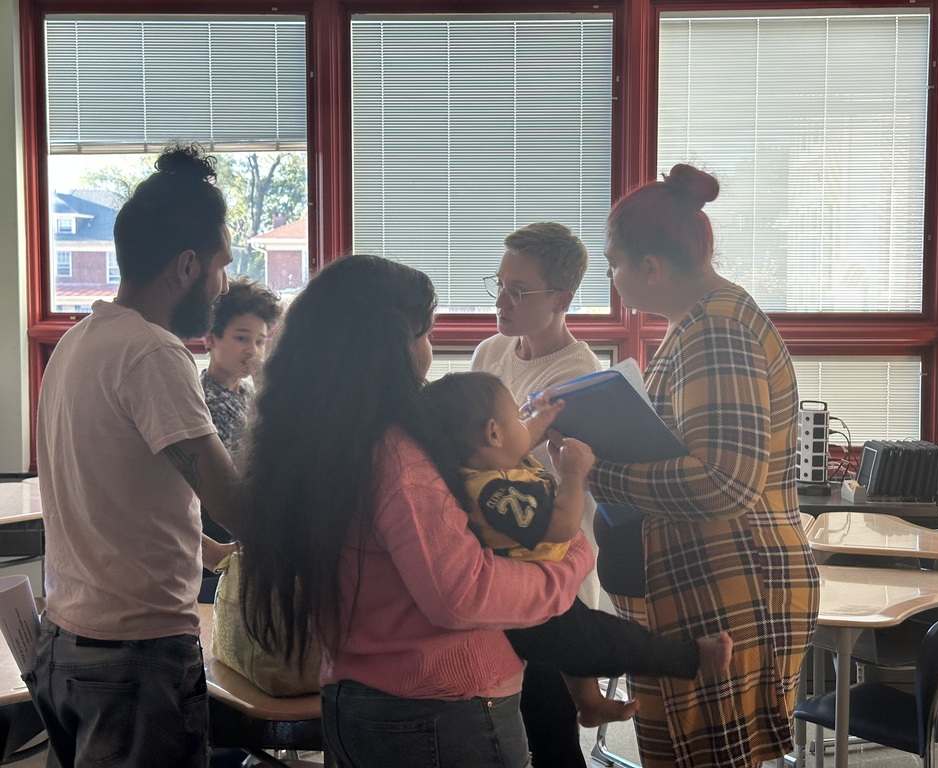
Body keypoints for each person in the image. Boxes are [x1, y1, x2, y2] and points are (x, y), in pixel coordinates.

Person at [238, 254, 594, 768]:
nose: (430, 351)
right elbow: (463, 595)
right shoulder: (396, 454)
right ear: (389, 349)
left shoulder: (319, 440)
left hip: (358, 695)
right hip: (437, 711)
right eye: (425, 335)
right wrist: (571, 558)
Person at [589, 162, 821, 768]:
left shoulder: (716, 331)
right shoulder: (700, 323)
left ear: (650, 267)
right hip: (708, 582)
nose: (611, 278)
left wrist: (597, 472)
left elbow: (725, 483)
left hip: (729, 586)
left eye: (613, 263)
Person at [28, 142, 240, 768]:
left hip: (68, 645)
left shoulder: (78, 342)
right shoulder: (153, 352)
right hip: (134, 661)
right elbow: (232, 502)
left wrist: (214, 552)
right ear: (186, 266)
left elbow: (122, 503)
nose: (224, 284)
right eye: (221, 266)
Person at [421, 371, 733, 726]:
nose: (526, 427)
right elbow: (562, 528)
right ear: (494, 433)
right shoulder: (494, 493)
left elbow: (520, 439)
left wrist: (542, 417)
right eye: (517, 420)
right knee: (607, 641)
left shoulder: (491, 460)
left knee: (575, 649)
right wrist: (574, 476)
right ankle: (690, 658)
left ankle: (590, 704)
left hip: (538, 592)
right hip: (527, 613)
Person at [470, 221, 606, 767]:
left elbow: (541, 478)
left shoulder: (578, 376)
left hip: (549, 562)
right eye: (499, 285)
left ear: (562, 299)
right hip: (498, 561)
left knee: (548, 728)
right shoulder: (490, 352)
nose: (501, 302)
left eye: (518, 291)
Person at [200, 277, 282, 545]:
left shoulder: (249, 393)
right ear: (210, 339)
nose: (252, 351)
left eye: (260, 342)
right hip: (220, 529)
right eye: (241, 338)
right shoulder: (203, 399)